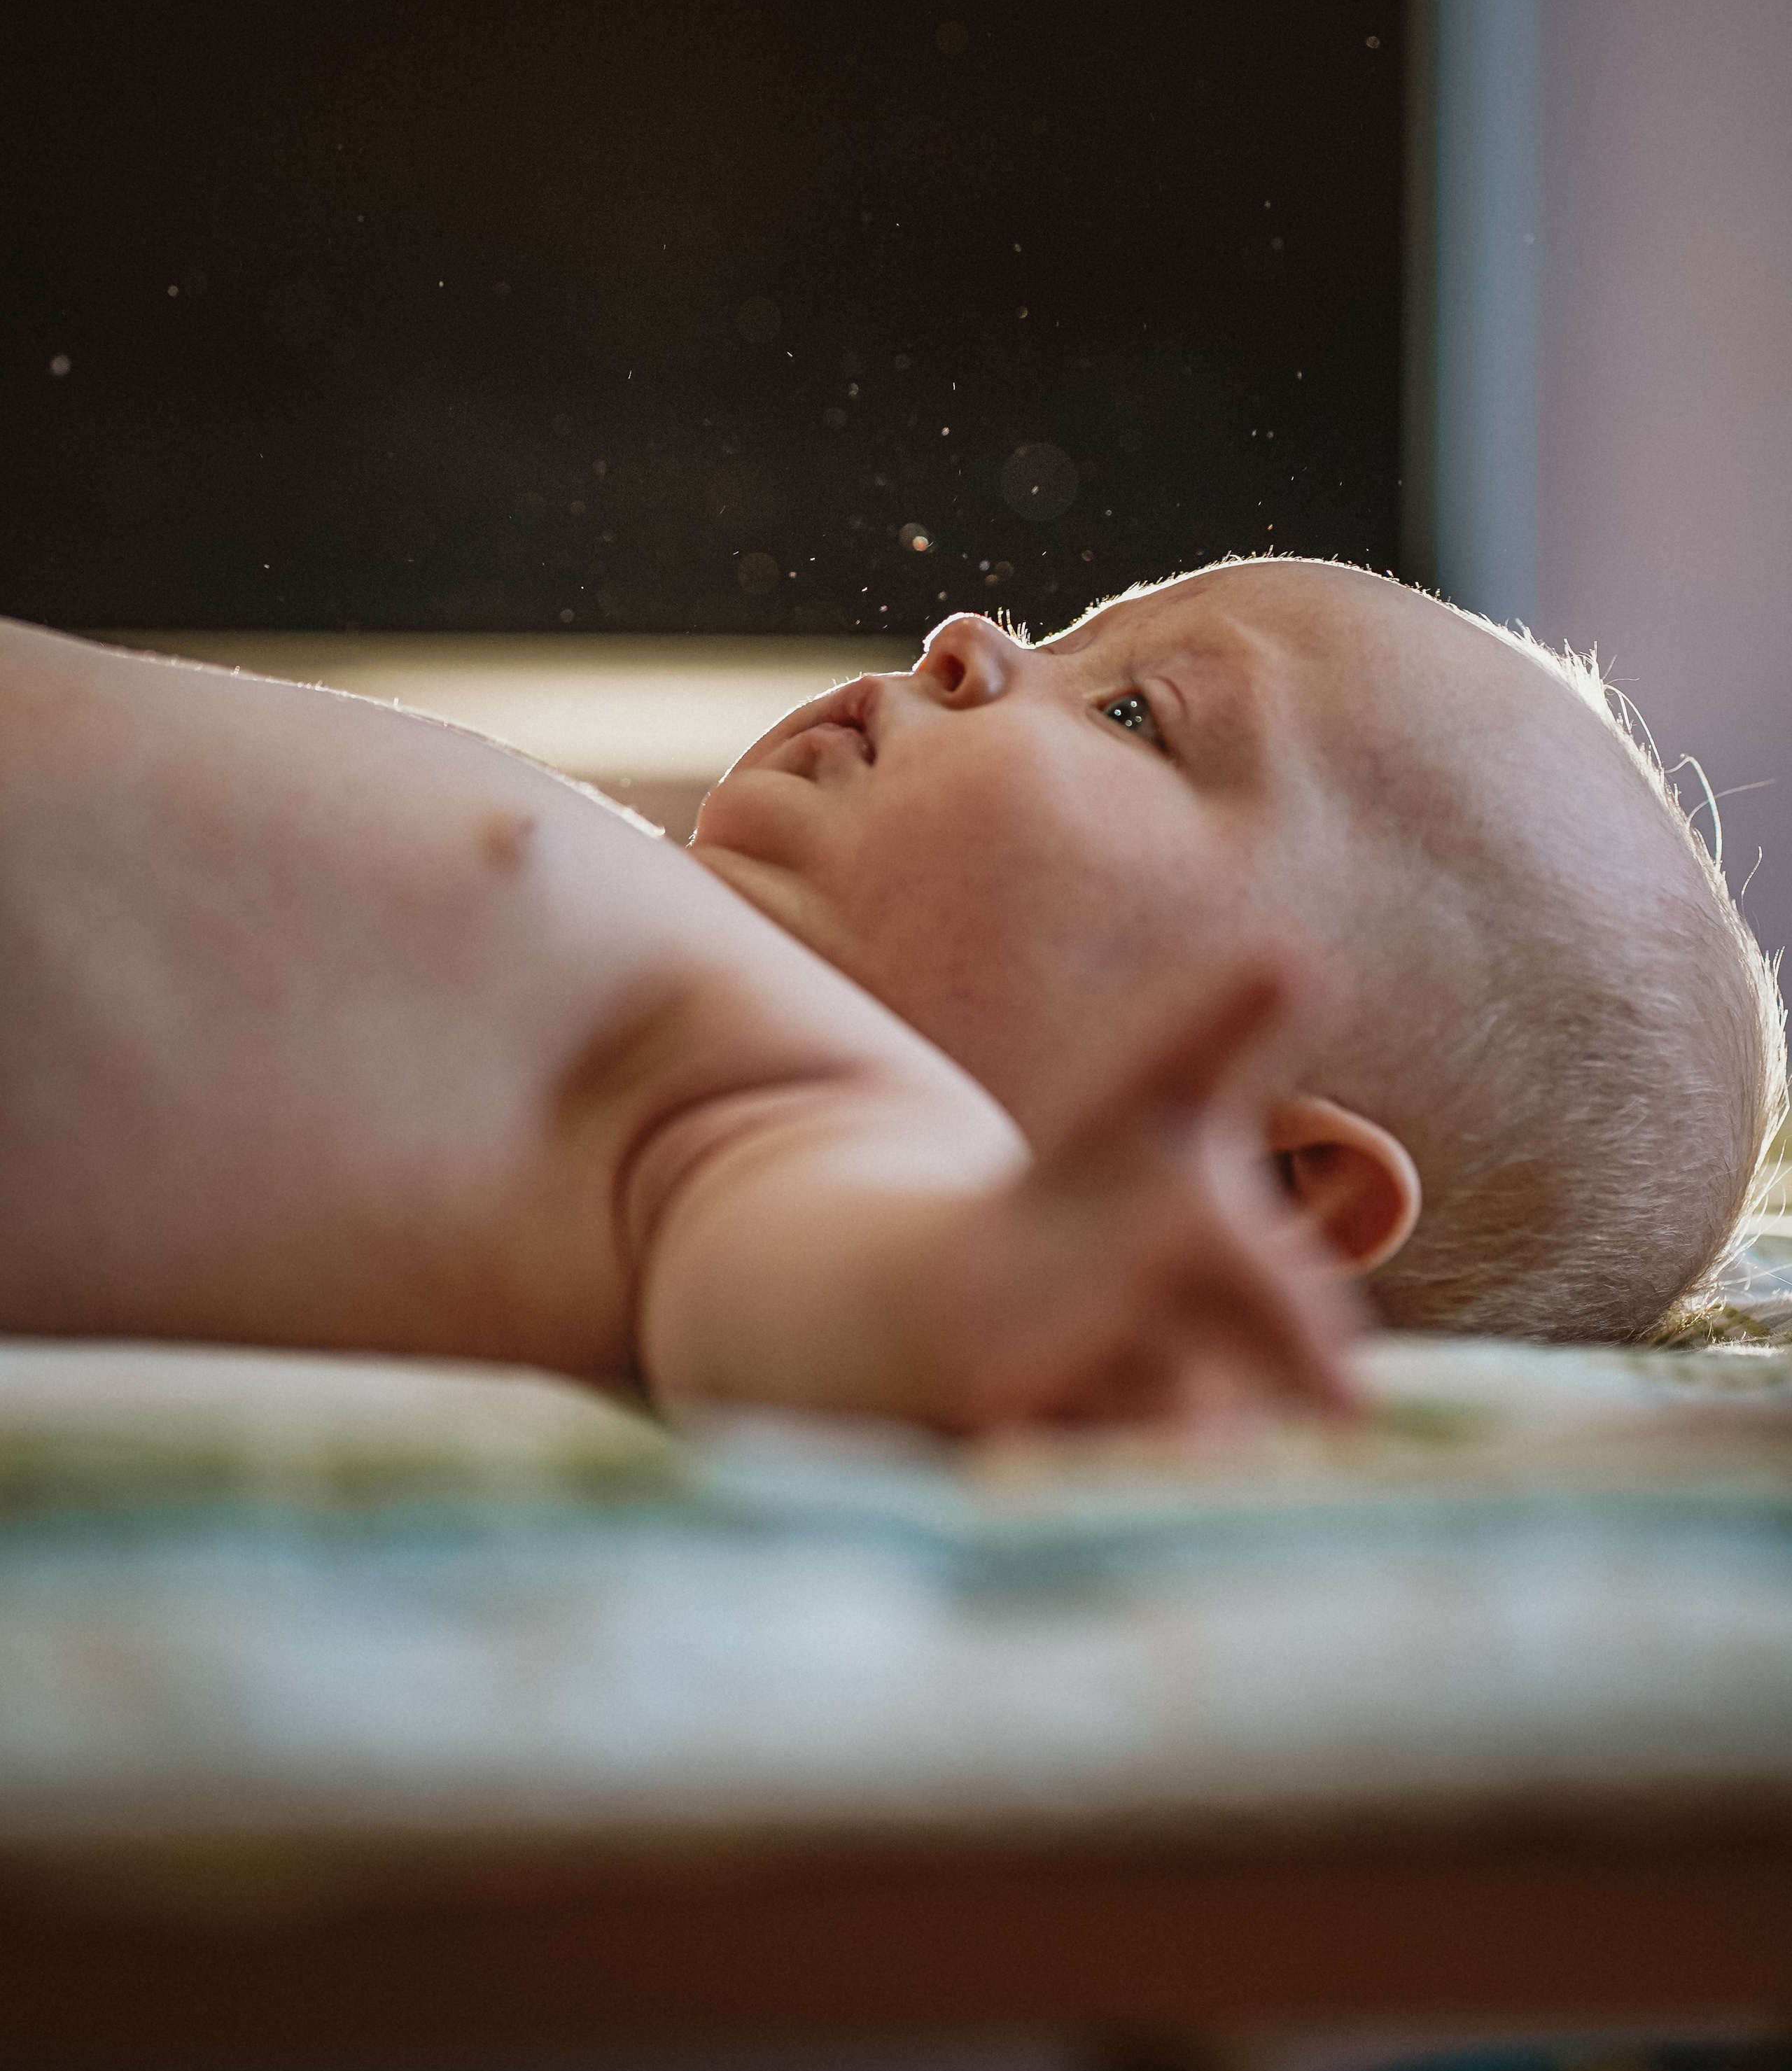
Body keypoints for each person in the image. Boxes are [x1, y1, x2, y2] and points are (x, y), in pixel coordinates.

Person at [0, 559, 1777, 1431]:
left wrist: (996, 1288)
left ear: (1271, 1189)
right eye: (1086, 645)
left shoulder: (824, 1112)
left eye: (1131, 715)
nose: (971, 645)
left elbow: (832, 1288)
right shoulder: (695, 978)